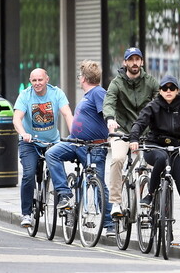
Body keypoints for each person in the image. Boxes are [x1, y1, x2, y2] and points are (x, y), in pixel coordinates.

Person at [129, 75, 180, 246]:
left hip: (177, 148)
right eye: (165, 88)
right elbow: (139, 122)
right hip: (154, 146)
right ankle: (150, 195)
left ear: (177, 90)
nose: (168, 91)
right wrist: (134, 139)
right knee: (161, 157)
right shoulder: (153, 106)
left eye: (172, 88)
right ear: (160, 90)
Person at [45, 60, 115, 236]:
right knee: (52, 154)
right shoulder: (89, 94)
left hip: (93, 147)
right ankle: (65, 194)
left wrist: (111, 121)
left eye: (79, 76)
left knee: (98, 184)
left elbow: (107, 110)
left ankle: (109, 223)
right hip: (75, 142)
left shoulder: (98, 92)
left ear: (83, 78)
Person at [13, 67, 74, 228]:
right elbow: (17, 119)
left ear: (47, 79)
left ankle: (65, 206)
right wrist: (23, 133)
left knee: (58, 172)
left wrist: (74, 134)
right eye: (34, 80)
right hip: (29, 142)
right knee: (28, 174)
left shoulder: (56, 93)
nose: (37, 83)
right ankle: (26, 213)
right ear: (30, 81)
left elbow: (67, 114)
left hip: (52, 142)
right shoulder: (25, 95)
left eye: (40, 79)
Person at [102, 47, 159, 217]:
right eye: (131, 59)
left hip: (145, 132)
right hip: (123, 131)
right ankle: (116, 202)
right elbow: (109, 102)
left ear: (142, 62)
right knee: (118, 159)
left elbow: (160, 102)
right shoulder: (116, 83)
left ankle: (149, 198)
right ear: (125, 62)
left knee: (153, 164)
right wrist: (110, 118)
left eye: (137, 59)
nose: (134, 63)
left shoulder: (150, 81)